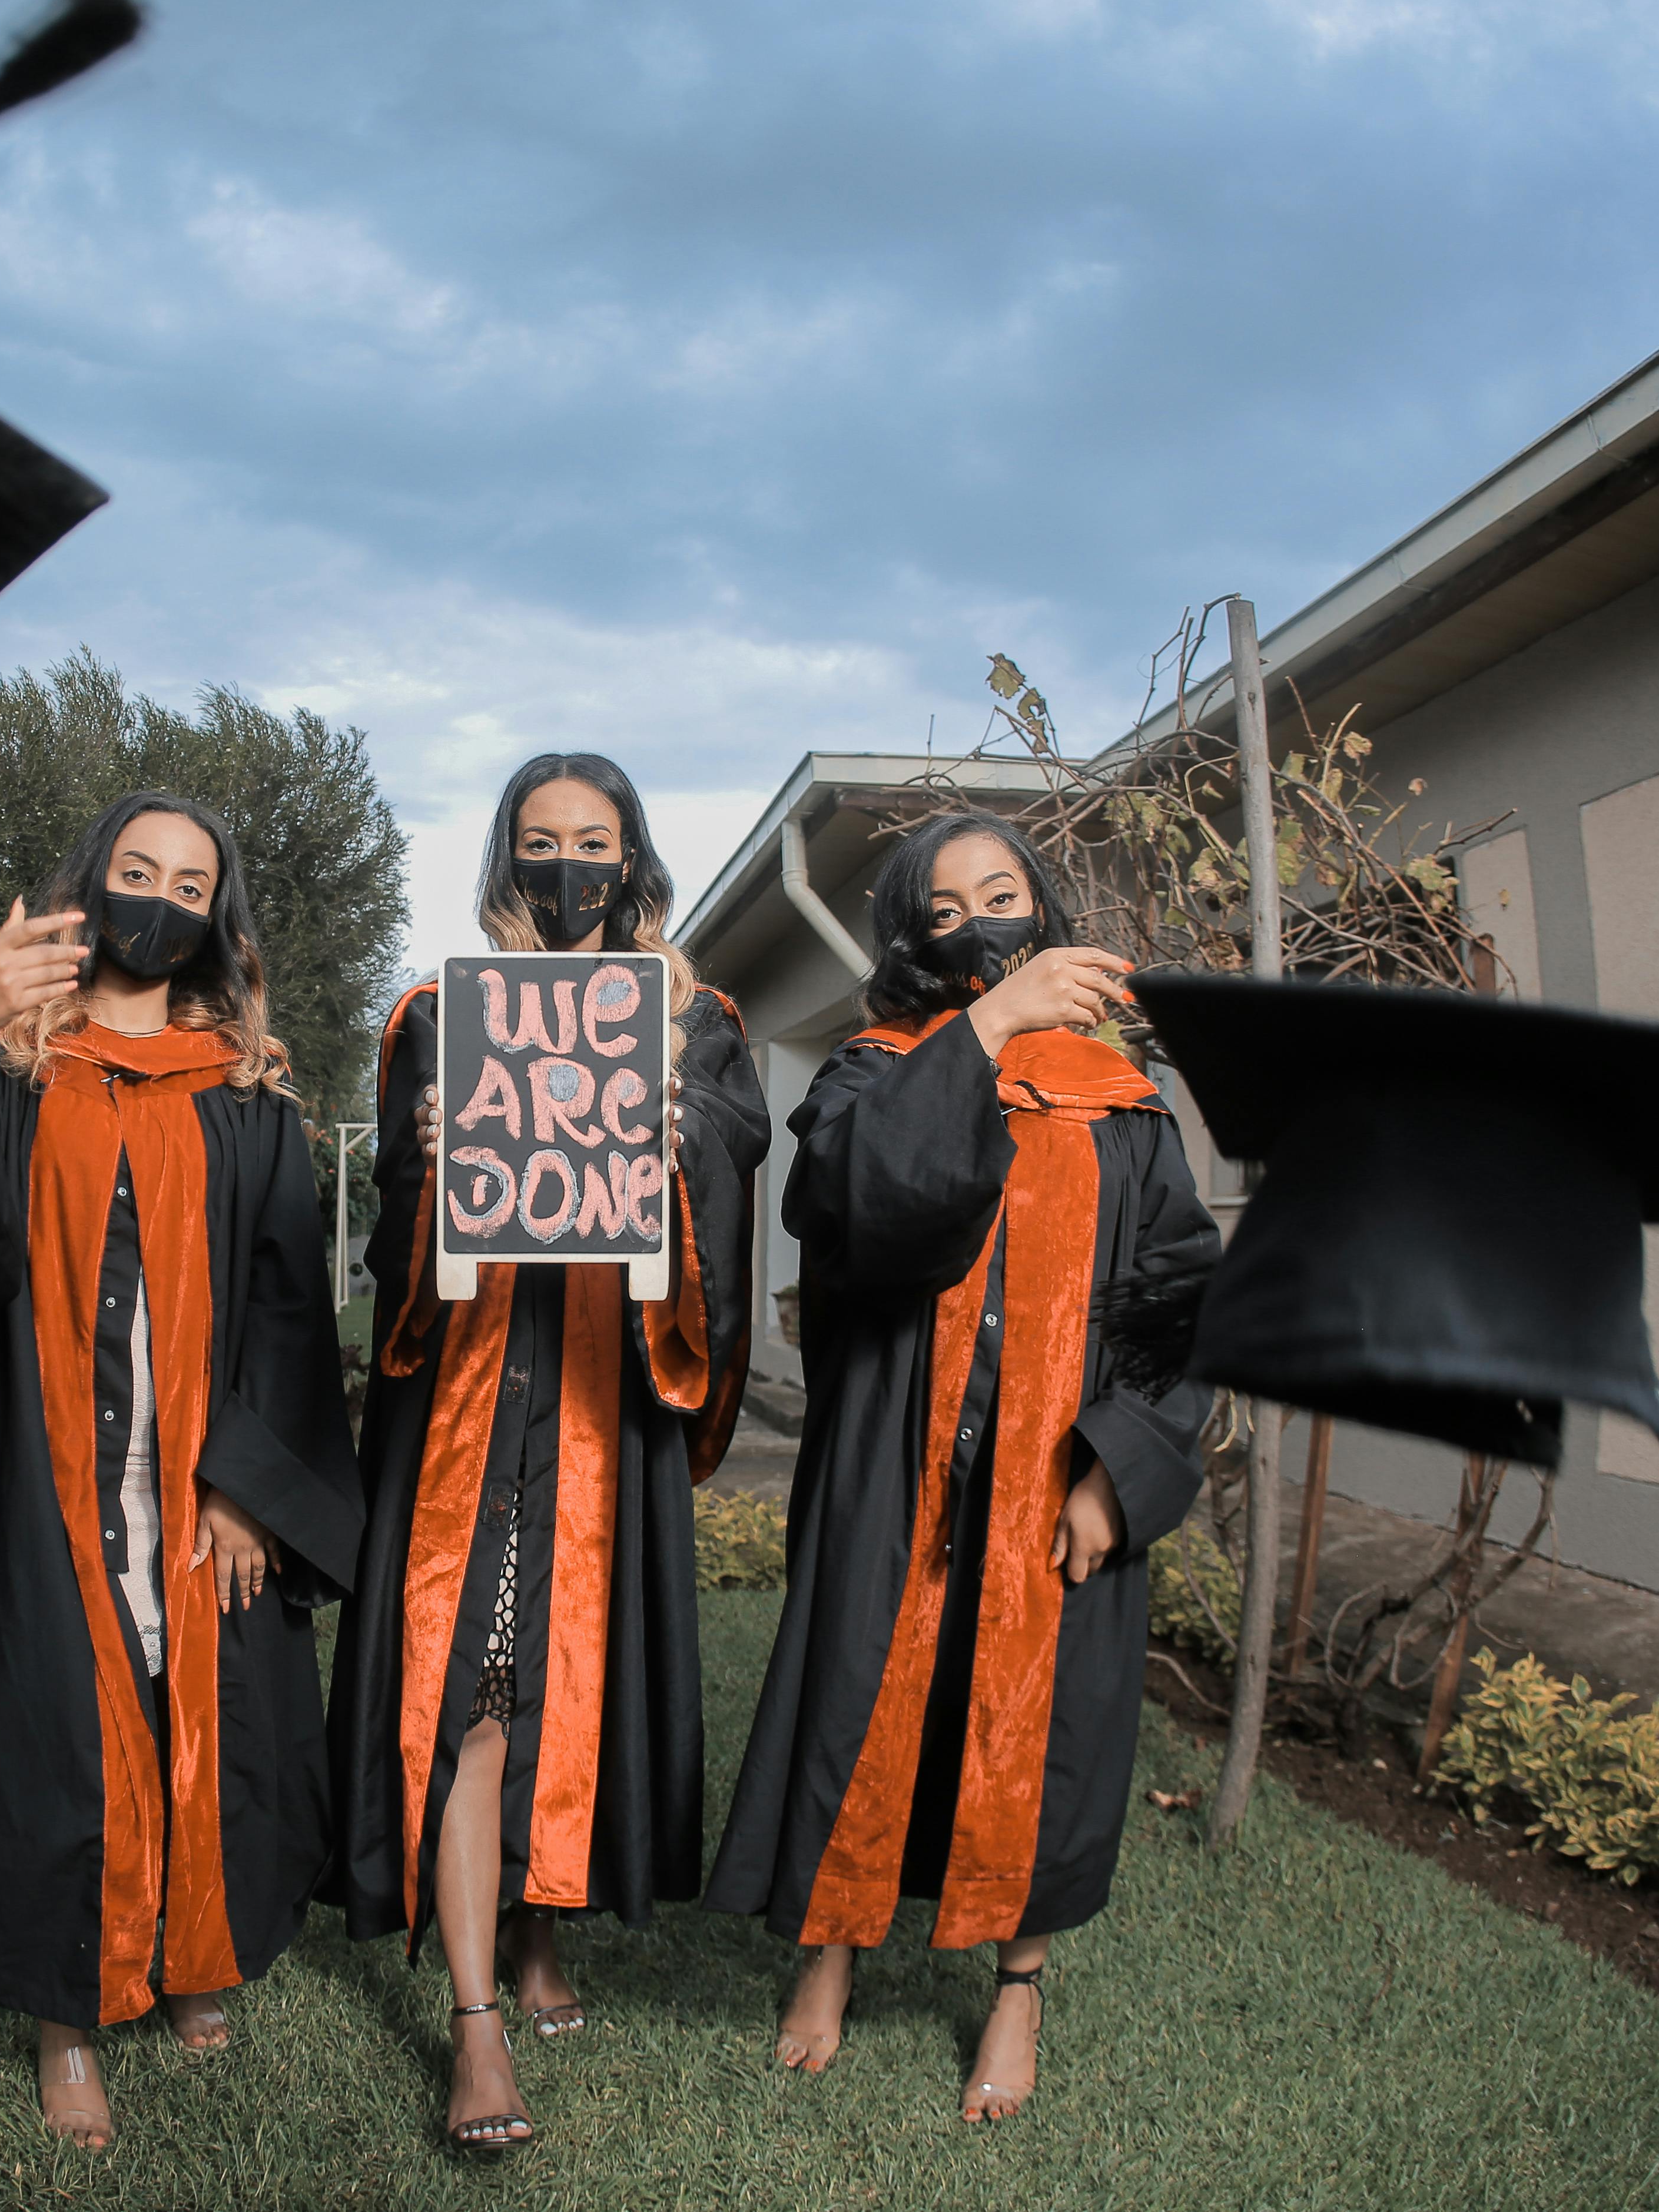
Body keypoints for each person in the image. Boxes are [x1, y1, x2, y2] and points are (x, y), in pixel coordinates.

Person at [0, 792, 363, 2150]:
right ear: (90, 887)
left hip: (198, 1470)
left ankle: (195, 1948)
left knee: (206, 1701)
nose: (161, 895)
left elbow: (288, 1304)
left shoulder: (245, 1090)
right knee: (57, 1721)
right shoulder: (23, 1065)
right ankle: (65, 2020)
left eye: (190, 881)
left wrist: (247, 1481)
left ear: (216, 916)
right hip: (53, 1469)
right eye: (137, 869)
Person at [702, 812, 1219, 2123]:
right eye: (950, 909)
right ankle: (834, 1949)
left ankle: (1017, 1987)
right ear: (917, 941)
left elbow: (1179, 1306)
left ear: (1042, 908)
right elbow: (854, 1204)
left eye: (1006, 894)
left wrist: (1120, 1472)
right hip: (897, 1468)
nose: (985, 921)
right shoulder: (872, 1076)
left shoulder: (1126, 1107)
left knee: (1039, 1744)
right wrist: (989, 1032)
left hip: (1055, 1481)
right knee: (861, 1711)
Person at [328, 753, 769, 2152]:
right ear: (505, 862)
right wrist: (423, 1152)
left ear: (634, 862)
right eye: (540, 843)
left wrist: (677, 1131)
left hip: (599, 1405)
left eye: (595, 842)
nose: (567, 867)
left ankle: (537, 1936)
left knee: (564, 1697)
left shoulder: (696, 1022)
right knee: (471, 1691)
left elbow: (734, 1172)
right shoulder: (439, 1019)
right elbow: (398, 1245)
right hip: (466, 1406)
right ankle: (478, 2024)